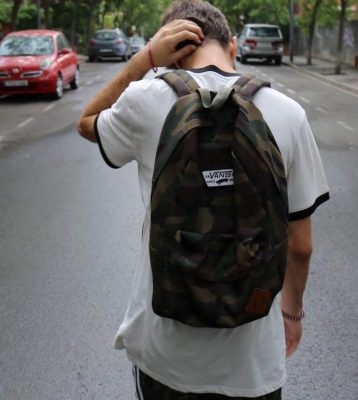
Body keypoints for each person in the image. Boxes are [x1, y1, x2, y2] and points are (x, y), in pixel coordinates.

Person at [77, 1, 329, 399]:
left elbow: (87, 123)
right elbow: (300, 246)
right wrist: (292, 313)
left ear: (169, 50)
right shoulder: (288, 113)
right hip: (252, 365)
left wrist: (143, 61)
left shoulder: (145, 100)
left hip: (165, 357)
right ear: (232, 45)